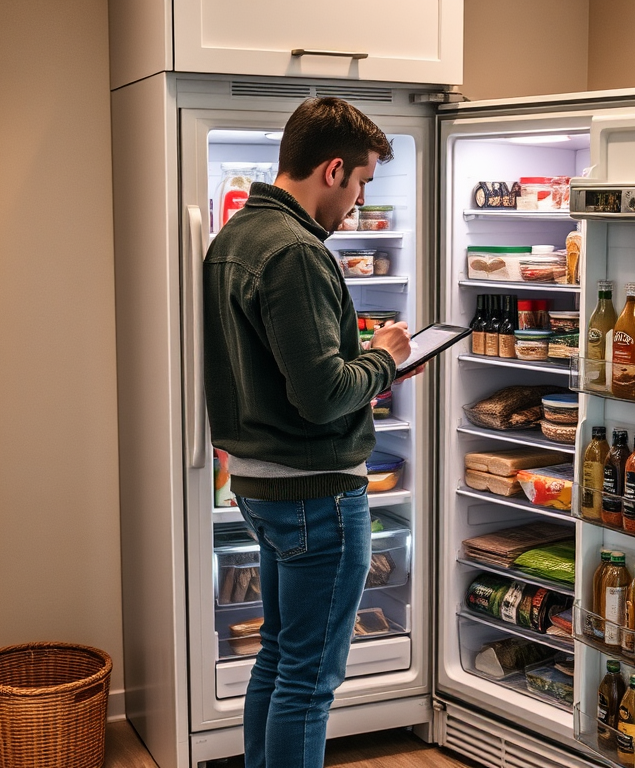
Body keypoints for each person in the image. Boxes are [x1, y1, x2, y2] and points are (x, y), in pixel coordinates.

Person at [203, 97, 415, 768]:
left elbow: (289, 372)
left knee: (280, 657)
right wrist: (385, 358)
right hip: (315, 494)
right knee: (310, 679)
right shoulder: (296, 252)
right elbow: (323, 396)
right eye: (360, 184)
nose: (356, 203)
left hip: (261, 485)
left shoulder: (236, 237)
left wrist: (358, 361)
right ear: (332, 170)